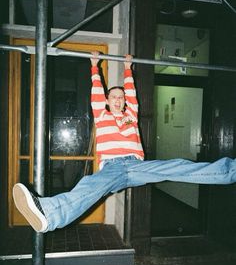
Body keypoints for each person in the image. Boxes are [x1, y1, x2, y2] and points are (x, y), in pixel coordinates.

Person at [13, 52, 236, 233]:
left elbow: (132, 92)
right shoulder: (102, 114)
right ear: (108, 102)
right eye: (114, 97)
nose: (119, 99)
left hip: (137, 166)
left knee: (179, 166)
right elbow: (97, 92)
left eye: (122, 97)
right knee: (90, 186)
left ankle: (231, 171)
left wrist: (129, 68)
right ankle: (49, 214)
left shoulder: (132, 115)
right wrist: (94, 66)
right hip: (113, 166)